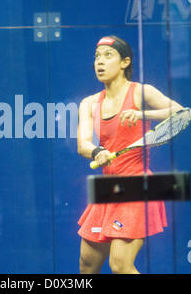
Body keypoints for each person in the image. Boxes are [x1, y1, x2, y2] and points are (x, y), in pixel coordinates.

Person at [77, 35, 184, 274]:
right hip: (108, 190)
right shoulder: (89, 103)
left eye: (107, 56)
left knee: (120, 265)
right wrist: (98, 151)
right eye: (96, 57)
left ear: (125, 62)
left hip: (138, 186)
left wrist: (143, 115)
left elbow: (180, 112)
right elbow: (83, 144)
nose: (99, 62)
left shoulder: (141, 93)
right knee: (87, 265)